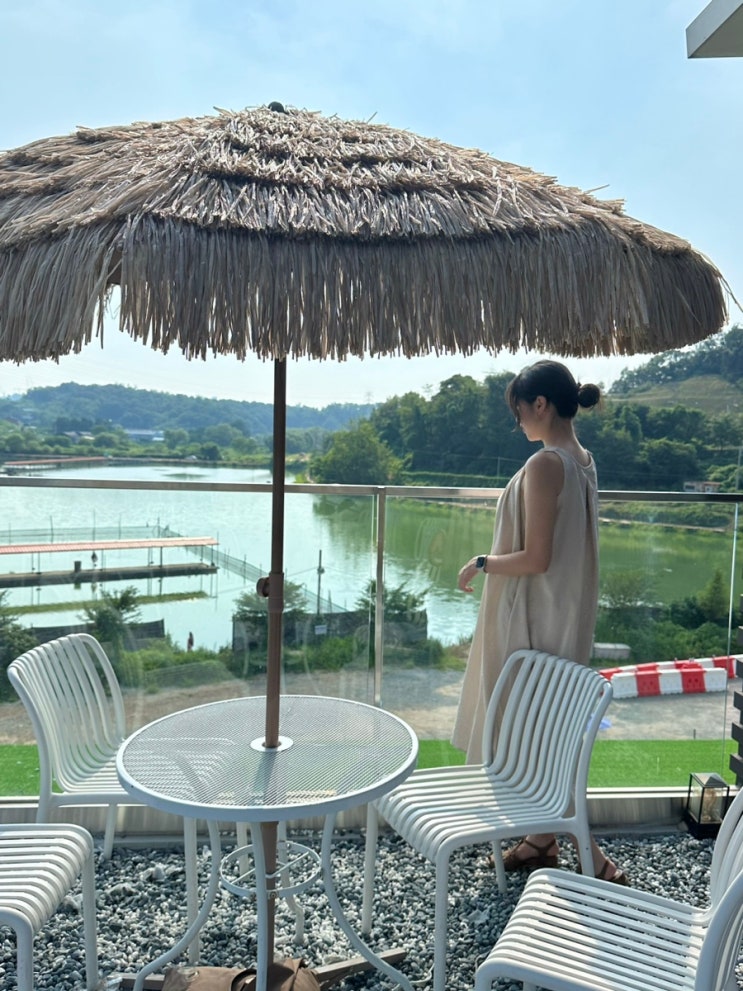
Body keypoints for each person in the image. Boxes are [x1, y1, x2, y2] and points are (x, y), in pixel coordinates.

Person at [451, 359, 628, 886]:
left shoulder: (547, 464)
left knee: (527, 737)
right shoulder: (583, 460)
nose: (519, 422)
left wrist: (481, 562)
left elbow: (536, 557)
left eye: (520, 411)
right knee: (546, 735)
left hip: (532, 616)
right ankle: (542, 842)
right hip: (562, 612)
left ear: (541, 405)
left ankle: (591, 856)